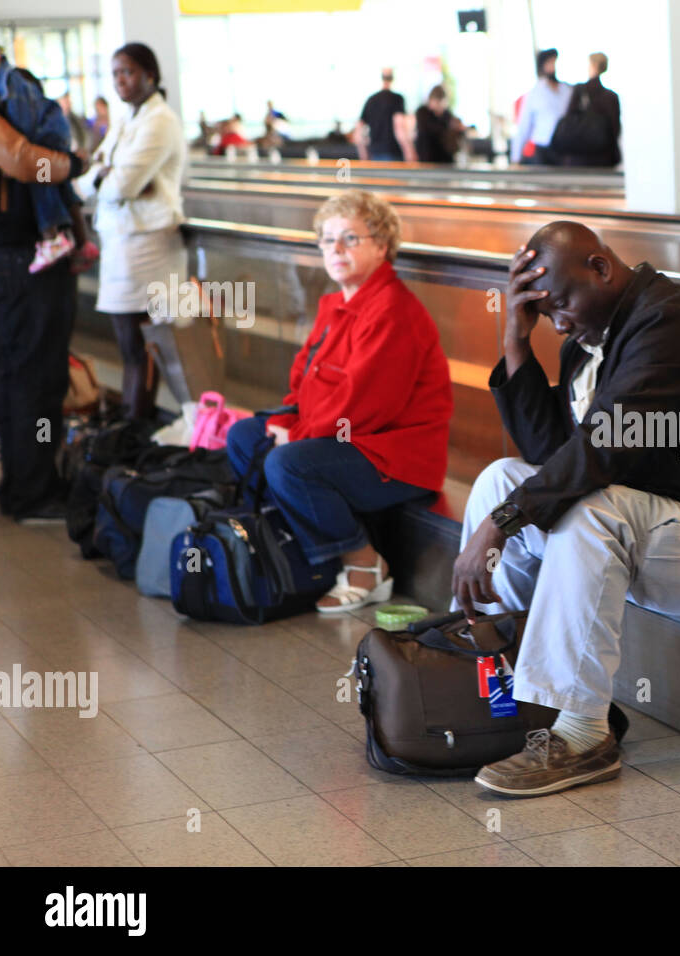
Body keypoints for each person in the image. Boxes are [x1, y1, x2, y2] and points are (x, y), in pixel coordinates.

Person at [452, 221, 680, 797]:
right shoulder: (585, 337)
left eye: (561, 303)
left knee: (588, 509)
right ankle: (502, 679)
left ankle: (585, 735)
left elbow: (601, 450)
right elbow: (546, 456)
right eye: (545, 311)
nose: (558, 321)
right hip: (652, 534)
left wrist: (502, 522)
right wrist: (515, 339)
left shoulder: (668, 323)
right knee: (499, 478)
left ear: (602, 268)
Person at [225, 191, 453, 613]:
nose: (336, 249)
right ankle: (300, 550)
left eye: (350, 238)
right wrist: (289, 418)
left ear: (382, 246)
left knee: (287, 463)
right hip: (346, 440)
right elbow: (306, 381)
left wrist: (296, 435)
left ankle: (365, 565)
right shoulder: (338, 304)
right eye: (327, 240)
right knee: (243, 434)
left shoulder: (392, 311)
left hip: (396, 457)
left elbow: (363, 406)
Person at [0, 54, 85, 523]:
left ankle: (22, 485)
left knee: (14, 374)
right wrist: (71, 166)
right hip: (21, 257)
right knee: (36, 375)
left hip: (10, 256)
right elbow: (27, 165)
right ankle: (34, 491)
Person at [77, 42, 188, 423]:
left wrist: (107, 179)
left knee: (143, 345)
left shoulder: (160, 121)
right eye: (115, 74)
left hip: (149, 246)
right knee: (128, 344)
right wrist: (104, 177)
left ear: (150, 75)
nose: (121, 81)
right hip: (122, 241)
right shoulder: (127, 119)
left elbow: (119, 185)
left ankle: (135, 430)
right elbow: (90, 176)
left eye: (128, 72)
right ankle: (130, 428)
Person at [0, 61, 81, 274]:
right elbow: (25, 163)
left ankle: (56, 238)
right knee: (45, 179)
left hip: (17, 241)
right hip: (14, 242)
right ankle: (56, 238)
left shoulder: (13, 88)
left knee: (44, 180)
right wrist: (73, 165)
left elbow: (28, 164)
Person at [552, 52, 621, 167]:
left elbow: (569, 119)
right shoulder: (611, 97)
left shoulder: (579, 90)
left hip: (578, 157)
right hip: (604, 158)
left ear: (593, 66)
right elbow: (615, 129)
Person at [510, 49, 571, 165]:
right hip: (544, 149)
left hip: (565, 148)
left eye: (554, 62)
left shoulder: (567, 90)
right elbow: (524, 127)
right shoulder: (535, 93)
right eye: (550, 63)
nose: (553, 67)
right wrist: (515, 159)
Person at [357, 69, 411, 162]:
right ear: (393, 79)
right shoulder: (397, 99)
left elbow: (358, 130)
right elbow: (399, 127)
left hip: (375, 153)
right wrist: (409, 152)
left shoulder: (371, 100)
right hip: (393, 153)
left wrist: (363, 154)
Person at [413, 85, 464, 163]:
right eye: (437, 102)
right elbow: (430, 129)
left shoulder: (447, 114)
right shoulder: (422, 112)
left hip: (445, 159)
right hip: (426, 157)